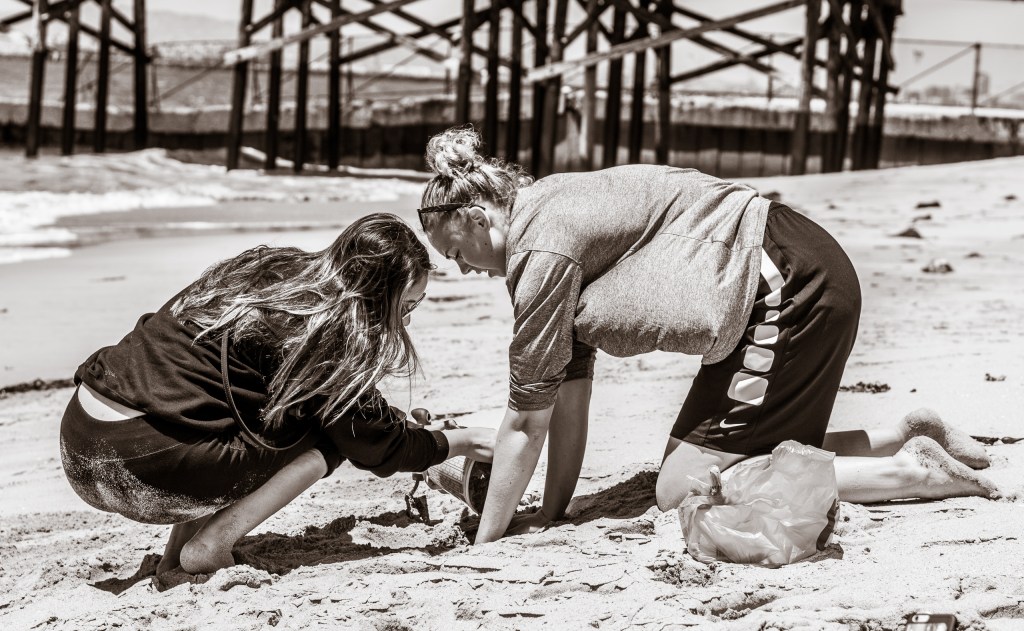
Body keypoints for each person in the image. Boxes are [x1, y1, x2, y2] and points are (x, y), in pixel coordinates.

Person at [416, 126, 1000, 544]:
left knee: (682, 488)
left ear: (475, 216)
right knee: (711, 460)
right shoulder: (549, 206)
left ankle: (910, 473)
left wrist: (488, 539)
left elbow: (525, 419)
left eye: (456, 252)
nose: (464, 268)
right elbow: (568, 398)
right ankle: (899, 434)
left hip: (785, 289)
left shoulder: (540, 250)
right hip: (778, 278)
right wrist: (553, 511)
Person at [60, 213, 494, 574]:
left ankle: (177, 555)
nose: (408, 321)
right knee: (326, 437)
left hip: (80, 441)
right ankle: (209, 546)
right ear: (377, 295)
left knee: (232, 409)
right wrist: (464, 440)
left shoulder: (268, 271)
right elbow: (374, 445)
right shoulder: (333, 327)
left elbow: (200, 387)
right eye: (407, 305)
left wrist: (387, 417)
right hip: (147, 471)